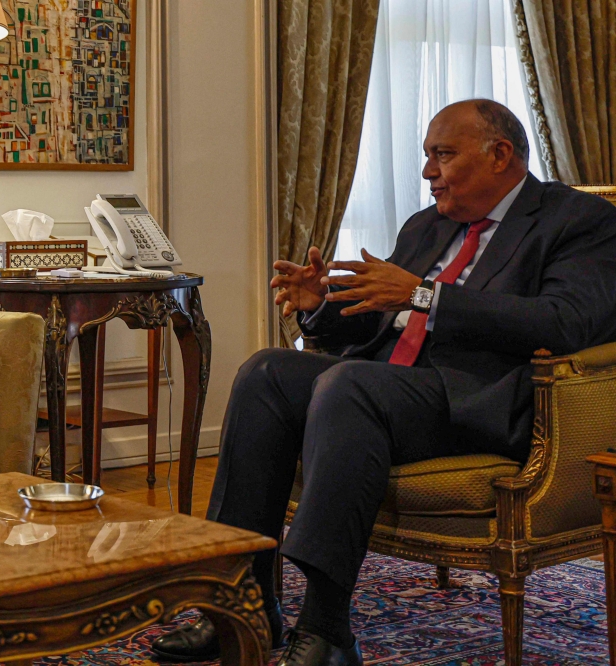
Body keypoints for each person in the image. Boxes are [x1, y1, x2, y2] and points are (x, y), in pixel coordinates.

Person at [152, 99, 616, 666]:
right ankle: (243, 606)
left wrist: (425, 294)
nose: (428, 172)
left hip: (481, 399)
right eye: (426, 156)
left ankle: (325, 631)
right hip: (390, 386)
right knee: (265, 372)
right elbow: (378, 317)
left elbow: (566, 322)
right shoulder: (427, 226)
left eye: (442, 155)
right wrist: (319, 307)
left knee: (350, 387)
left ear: (500, 155)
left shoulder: (578, 222)